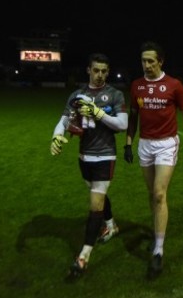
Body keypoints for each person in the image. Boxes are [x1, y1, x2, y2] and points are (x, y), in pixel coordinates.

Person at [124, 41, 183, 279]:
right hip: (145, 144)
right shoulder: (136, 86)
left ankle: (158, 250)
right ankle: (157, 231)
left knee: (159, 193)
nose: (146, 65)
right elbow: (133, 118)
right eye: (143, 61)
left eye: (150, 61)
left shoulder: (174, 85)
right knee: (151, 195)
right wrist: (128, 143)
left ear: (160, 61)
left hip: (167, 144)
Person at [50, 53, 128, 279]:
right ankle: (111, 225)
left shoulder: (114, 94)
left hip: (105, 157)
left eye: (104, 71)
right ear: (88, 70)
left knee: (95, 206)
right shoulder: (77, 95)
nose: (101, 75)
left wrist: (98, 112)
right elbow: (65, 119)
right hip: (84, 157)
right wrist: (56, 136)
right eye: (96, 70)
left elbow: (122, 124)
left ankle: (83, 257)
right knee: (99, 196)